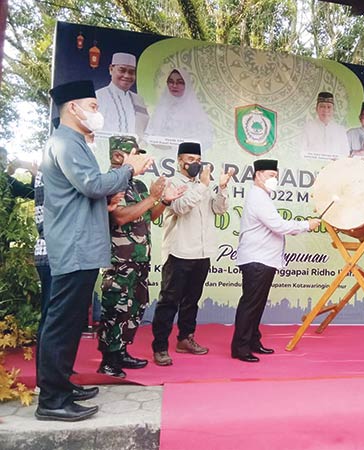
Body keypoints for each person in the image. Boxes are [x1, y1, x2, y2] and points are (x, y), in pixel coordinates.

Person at [36, 80, 151, 422]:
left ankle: (61, 383)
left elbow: (88, 192)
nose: (97, 113)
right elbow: (91, 184)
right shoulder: (66, 142)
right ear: (73, 108)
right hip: (73, 245)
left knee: (71, 322)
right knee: (62, 322)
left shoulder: (72, 142)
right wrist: (129, 170)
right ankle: (52, 400)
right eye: (93, 106)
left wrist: (107, 195)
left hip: (81, 244)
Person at [97, 136, 186, 378]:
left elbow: (150, 217)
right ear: (118, 156)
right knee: (116, 308)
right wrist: (151, 198)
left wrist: (165, 200)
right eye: (135, 153)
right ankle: (108, 359)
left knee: (135, 307)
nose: (141, 158)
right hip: (120, 260)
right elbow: (121, 217)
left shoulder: (137, 185)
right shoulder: (110, 182)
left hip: (140, 258)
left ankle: (122, 351)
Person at [151, 142, 234, 366]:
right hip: (179, 251)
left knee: (192, 300)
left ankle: (185, 338)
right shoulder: (172, 183)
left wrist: (222, 188)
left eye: (198, 160)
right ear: (179, 161)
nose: (195, 164)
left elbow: (219, 209)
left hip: (202, 251)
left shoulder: (203, 185)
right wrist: (203, 186)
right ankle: (160, 347)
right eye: (190, 159)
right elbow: (180, 208)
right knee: (169, 301)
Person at [231, 159, 320, 362]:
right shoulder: (258, 197)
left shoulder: (263, 196)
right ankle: (241, 347)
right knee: (251, 304)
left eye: (276, 177)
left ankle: (253, 341)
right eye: (271, 176)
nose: (274, 180)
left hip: (264, 259)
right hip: (257, 259)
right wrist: (306, 225)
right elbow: (278, 225)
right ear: (258, 175)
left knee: (257, 304)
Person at [145, 68, 214, 149]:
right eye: (171, 81)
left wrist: (177, 146)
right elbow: (149, 134)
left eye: (180, 82)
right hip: (160, 155)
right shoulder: (161, 108)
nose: (174, 85)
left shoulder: (195, 112)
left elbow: (207, 140)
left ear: (186, 84)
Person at [95, 52, 149, 139]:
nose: (127, 76)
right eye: (122, 70)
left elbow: (145, 130)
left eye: (131, 72)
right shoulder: (98, 96)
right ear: (111, 69)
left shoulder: (139, 100)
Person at [301, 92, 350, 160]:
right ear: (316, 109)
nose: (325, 110)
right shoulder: (308, 127)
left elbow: (345, 153)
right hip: (312, 167)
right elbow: (301, 151)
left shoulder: (340, 130)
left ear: (333, 110)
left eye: (329, 107)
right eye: (322, 106)